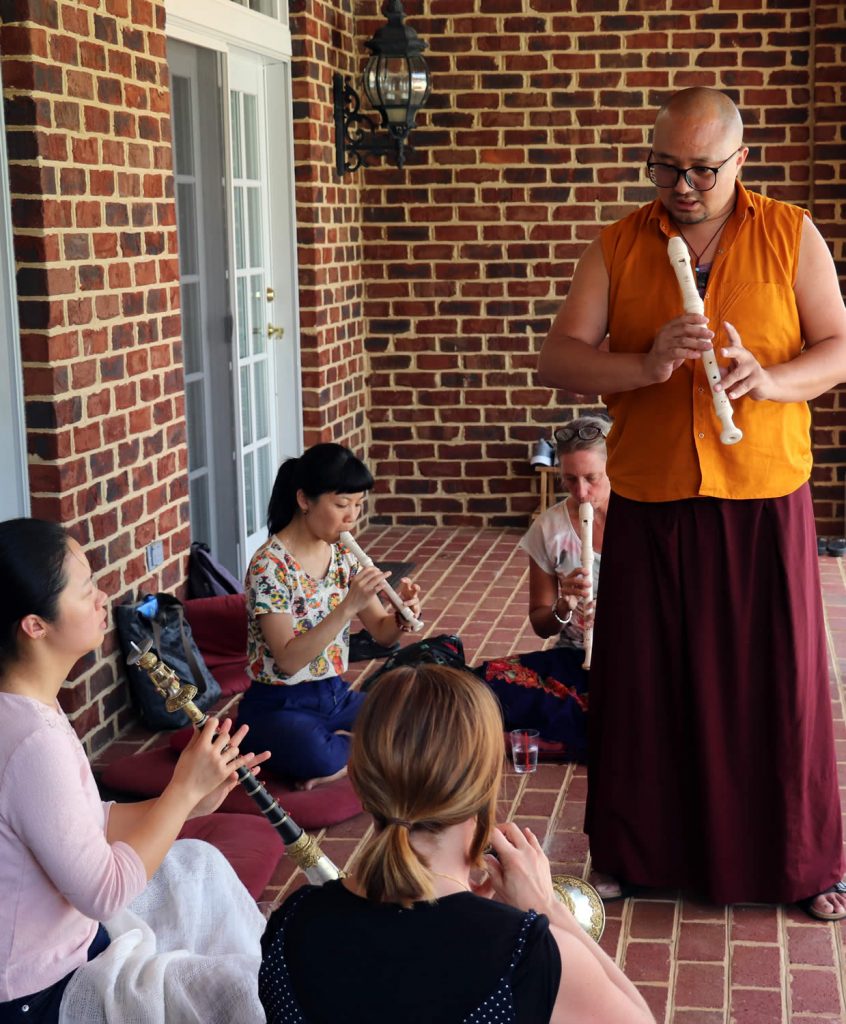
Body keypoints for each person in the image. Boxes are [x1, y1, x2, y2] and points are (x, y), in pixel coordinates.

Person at [537, 87, 846, 918]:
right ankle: (637, 853)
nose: (682, 186)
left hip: (762, 492)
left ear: (742, 161)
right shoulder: (618, 244)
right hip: (652, 492)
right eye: (665, 167)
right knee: (645, 683)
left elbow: (839, 347)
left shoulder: (790, 233)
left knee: (776, 685)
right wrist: (644, 366)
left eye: (703, 170)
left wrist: (769, 379)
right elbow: (560, 357)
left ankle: (800, 862)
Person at [258, 664, 655, 1024]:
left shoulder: (291, 920)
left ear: (361, 784)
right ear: (482, 790)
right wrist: (548, 908)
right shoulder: (524, 953)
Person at [0, 517, 269, 1022]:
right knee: (234, 990)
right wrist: (180, 797)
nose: (104, 600)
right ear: (35, 626)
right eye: (87, 592)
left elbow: (83, 822)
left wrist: (189, 800)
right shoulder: (31, 741)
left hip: (69, 939)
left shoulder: (25, 705)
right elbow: (104, 894)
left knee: (200, 865)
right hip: (39, 991)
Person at [237, 442, 422, 789]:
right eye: (341, 505)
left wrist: (400, 617)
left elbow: (381, 633)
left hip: (334, 693)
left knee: (415, 718)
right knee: (313, 752)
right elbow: (289, 660)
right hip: (280, 703)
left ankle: (343, 752)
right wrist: (347, 607)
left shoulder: (343, 554)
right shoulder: (269, 566)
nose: (352, 516)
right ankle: (349, 755)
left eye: (357, 505)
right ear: (305, 500)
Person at [474, 414, 611, 761]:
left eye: (591, 479)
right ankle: (569, 736)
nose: (581, 492)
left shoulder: (648, 520)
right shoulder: (549, 528)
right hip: (576, 660)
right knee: (479, 685)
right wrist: (563, 608)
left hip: (639, 660)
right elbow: (540, 623)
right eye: (570, 480)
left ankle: (550, 736)